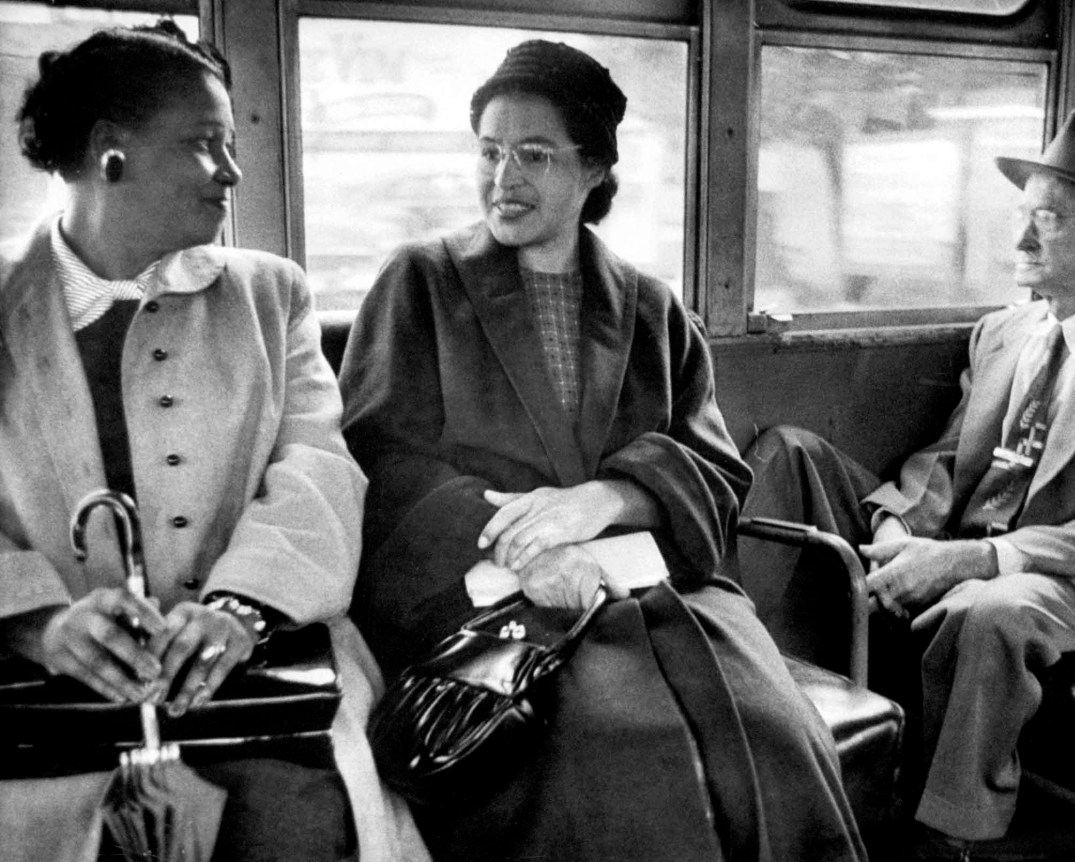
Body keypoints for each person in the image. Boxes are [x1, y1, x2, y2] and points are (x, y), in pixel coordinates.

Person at [339, 39, 865, 862]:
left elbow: (715, 466)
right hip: (488, 596)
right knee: (619, 751)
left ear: (593, 171)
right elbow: (381, 460)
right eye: (489, 151)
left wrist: (610, 498)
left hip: (662, 589)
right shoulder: (419, 282)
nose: (502, 178)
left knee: (774, 734)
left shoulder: (654, 308)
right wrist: (528, 550)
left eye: (535, 155)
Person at [738, 112, 1075, 857]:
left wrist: (967, 560)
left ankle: (947, 837)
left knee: (989, 609)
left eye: (1047, 220)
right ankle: (760, 721)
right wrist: (902, 531)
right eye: (1020, 217)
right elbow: (945, 460)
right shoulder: (1003, 333)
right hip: (972, 540)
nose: (1021, 241)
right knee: (788, 452)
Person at [0, 21, 426, 862]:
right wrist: (37, 621)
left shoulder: (272, 295)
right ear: (109, 152)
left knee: (298, 813)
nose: (231, 171)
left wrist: (243, 608)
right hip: (41, 692)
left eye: (231, 145)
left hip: (259, 671)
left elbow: (316, 470)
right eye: (205, 145)